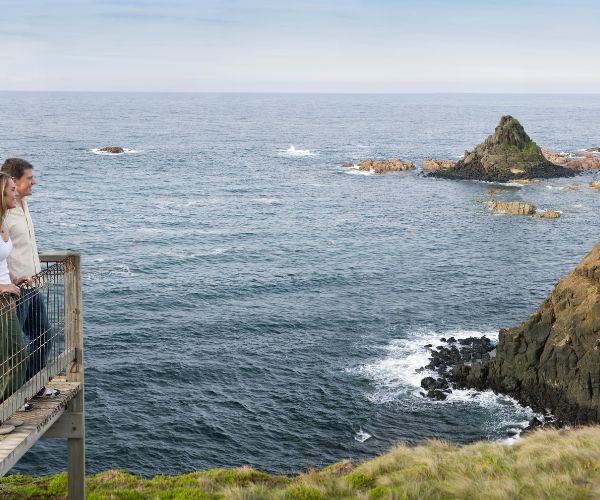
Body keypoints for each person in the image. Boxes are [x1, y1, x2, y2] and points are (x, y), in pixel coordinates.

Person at [1, 158, 55, 395]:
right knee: (12, 350)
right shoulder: (5, 212)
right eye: (29, 178)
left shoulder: (21, 206)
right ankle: (12, 397)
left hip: (30, 283)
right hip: (14, 294)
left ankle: (31, 387)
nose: (34, 182)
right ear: (14, 181)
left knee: (44, 335)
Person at [0, 172, 28, 434]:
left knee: (15, 355)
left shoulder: (3, 222)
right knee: (8, 357)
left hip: (6, 297)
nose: (15, 192)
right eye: (10, 189)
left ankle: (3, 412)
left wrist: (13, 279)